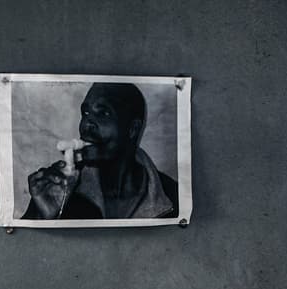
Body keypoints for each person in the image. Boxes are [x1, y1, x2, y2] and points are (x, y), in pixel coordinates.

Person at [23, 82, 179, 220]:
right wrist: (42, 217)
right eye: (85, 113)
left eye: (103, 113)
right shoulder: (58, 188)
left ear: (133, 129)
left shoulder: (172, 196)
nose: (86, 125)